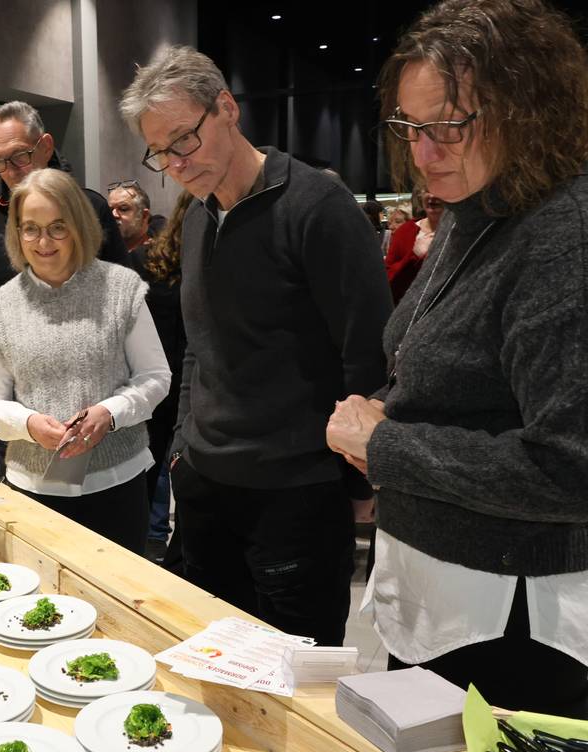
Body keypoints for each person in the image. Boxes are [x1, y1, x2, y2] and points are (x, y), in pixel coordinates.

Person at [327, 0, 588, 716]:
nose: (423, 150)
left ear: (531, 109)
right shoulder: (476, 211)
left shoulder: (562, 237)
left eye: (449, 124)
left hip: (508, 615)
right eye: (410, 126)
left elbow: (571, 468)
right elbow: (444, 370)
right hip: (436, 584)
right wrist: (387, 408)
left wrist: (387, 445)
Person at [120, 46, 392, 646]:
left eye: (183, 141)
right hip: (206, 486)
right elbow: (199, 345)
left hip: (295, 492)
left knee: (296, 681)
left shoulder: (317, 207)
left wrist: (357, 484)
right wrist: (182, 449)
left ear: (226, 109)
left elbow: (367, 354)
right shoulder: (194, 219)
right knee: (214, 664)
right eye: (159, 152)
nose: (174, 164)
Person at [0, 168, 170, 554]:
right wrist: (28, 424)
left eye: (57, 227)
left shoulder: (120, 289)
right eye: (30, 228)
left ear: (79, 227)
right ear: (16, 232)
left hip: (118, 484)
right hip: (33, 489)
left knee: (118, 601)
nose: (43, 241)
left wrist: (109, 413)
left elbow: (155, 377)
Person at [0, 101, 131, 476]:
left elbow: (125, 297)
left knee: (103, 489)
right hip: (18, 398)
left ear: (45, 147)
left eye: (20, 157)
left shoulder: (91, 208)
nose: (10, 172)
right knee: (27, 498)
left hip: (94, 389)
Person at [131, 191, 194, 569]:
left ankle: (176, 551)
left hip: (194, 385)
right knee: (148, 467)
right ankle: (146, 542)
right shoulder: (145, 261)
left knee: (184, 471)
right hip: (154, 383)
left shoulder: (219, 264)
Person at [384, 190, 444, 303]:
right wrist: (413, 256)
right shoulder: (405, 231)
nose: (432, 195)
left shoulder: (462, 232)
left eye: (440, 188)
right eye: (427, 189)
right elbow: (387, 281)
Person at [108, 180, 161, 255]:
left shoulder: (159, 256)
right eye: (110, 210)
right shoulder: (104, 254)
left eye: (123, 209)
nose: (113, 214)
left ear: (144, 215)